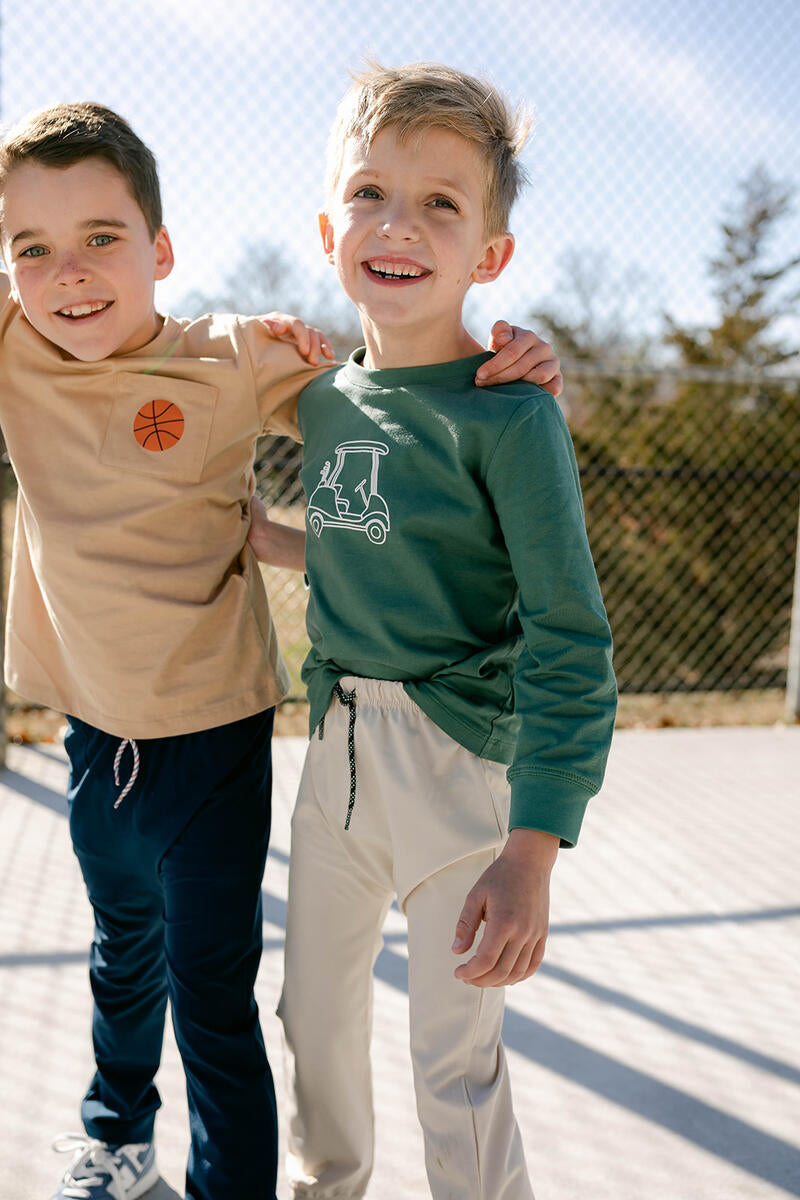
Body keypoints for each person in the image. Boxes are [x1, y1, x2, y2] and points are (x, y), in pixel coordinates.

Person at [0, 102, 562, 1200]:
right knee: (121, 958)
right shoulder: (17, 350)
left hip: (212, 744)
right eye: (33, 248)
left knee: (214, 994)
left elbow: (392, 421)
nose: (69, 273)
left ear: (160, 251)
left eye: (103, 238)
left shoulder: (234, 359)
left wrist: (526, 375)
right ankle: (115, 1142)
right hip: (89, 736)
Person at [249, 63, 617, 1199]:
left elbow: (570, 638)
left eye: (440, 204)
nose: (396, 225)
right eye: (369, 193)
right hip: (333, 758)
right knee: (310, 1018)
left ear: (488, 256)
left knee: (450, 1058)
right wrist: (270, 540)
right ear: (327, 228)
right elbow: (381, 551)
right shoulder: (315, 397)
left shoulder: (511, 413)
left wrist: (532, 849)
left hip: (458, 762)